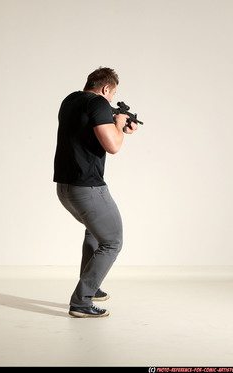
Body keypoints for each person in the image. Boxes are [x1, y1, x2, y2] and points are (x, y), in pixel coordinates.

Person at [53, 67, 138, 318]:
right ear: (105, 89)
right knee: (112, 242)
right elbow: (112, 146)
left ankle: (92, 285)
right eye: (112, 94)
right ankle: (82, 301)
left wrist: (117, 125)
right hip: (88, 188)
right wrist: (119, 124)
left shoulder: (70, 100)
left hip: (65, 188)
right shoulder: (100, 103)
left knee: (94, 230)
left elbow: (89, 133)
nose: (111, 100)